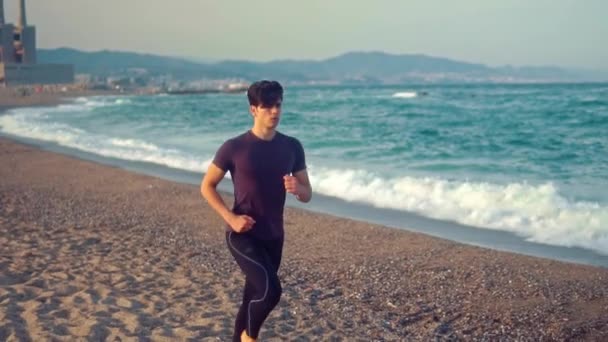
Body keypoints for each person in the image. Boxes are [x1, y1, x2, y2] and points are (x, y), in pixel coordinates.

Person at [201, 80, 312, 342]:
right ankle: (250, 337)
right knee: (270, 292)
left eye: (278, 105)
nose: (275, 111)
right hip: (243, 234)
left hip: (274, 236)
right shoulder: (234, 147)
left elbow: (308, 194)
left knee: (252, 297)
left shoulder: (292, 146)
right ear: (253, 110)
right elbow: (207, 186)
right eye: (267, 106)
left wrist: (298, 188)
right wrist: (231, 217)